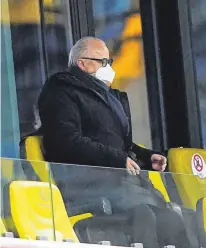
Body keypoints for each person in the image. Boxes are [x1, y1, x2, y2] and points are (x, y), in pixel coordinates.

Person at [38, 37, 191, 248]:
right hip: (85, 184)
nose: (108, 67)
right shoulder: (61, 91)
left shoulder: (111, 97)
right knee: (143, 214)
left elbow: (120, 146)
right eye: (103, 62)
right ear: (82, 63)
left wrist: (146, 158)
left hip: (120, 183)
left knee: (172, 218)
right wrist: (117, 159)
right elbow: (66, 142)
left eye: (109, 61)